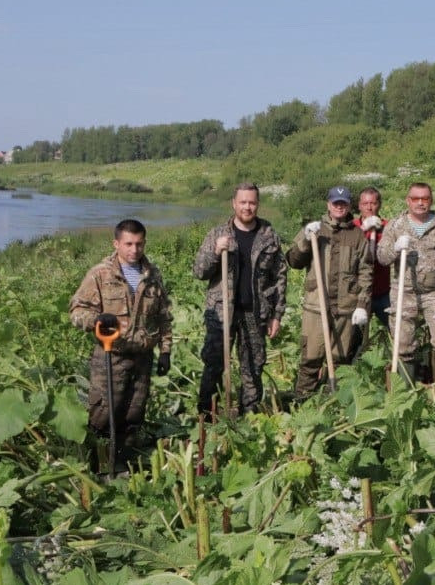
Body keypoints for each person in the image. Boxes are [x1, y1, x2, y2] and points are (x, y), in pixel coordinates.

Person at [69, 219, 172, 471]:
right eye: (128, 244)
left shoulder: (152, 275)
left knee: (134, 414)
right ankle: (97, 465)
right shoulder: (101, 274)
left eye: (139, 244)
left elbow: (163, 316)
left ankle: (123, 464)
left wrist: (166, 351)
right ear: (116, 244)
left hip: (143, 357)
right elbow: (76, 310)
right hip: (111, 356)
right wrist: (96, 320)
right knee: (104, 412)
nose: (134, 250)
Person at [191, 183, 288, 416]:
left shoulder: (268, 236)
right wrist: (215, 252)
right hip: (222, 312)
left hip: (255, 312)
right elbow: (199, 271)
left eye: (252, 202)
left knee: (253, 366)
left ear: (258, 204)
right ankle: (207, 415)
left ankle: (250, 414)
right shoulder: (218, 234)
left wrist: (277, 314)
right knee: (214, 364)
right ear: (234, 204)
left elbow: (280, 276)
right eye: (243, 202)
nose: (247, 207)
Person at [287, 186, 372, 396]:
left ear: (349, 206)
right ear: (328, 205)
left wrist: (362, 305)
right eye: (336, 203)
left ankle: (332, 403)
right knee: (310, 358)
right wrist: (306, 240)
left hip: (345, 308)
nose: (339, 207)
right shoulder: (316, 231)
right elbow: (293, 261)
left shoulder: (357, 235)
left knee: (341, 360)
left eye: (343, 203)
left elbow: (366, 273)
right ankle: (304, 402)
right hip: (316, 307)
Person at [377, 182, 435, 380]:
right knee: (403, 344)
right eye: (416, 199)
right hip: (403, 292)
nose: (421, 203)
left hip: (434, 293)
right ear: (408, 201)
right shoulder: (396, 225)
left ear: (431, 201)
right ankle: (405, 392)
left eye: (425, 199)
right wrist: (395, 249)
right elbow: (382, 257)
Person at [351, 186, 391, 355]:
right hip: (358, 294)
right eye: (365, 203)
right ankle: (353, 368)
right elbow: (346, 251)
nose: (369, 207)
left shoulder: (388, 227)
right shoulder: (352, 228)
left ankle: (397, 364)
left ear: (379, 205)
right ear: (359, 206)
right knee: (353, 337)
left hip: (383, 292)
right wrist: (362, 231)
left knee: (397, 329)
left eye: (373, 203)